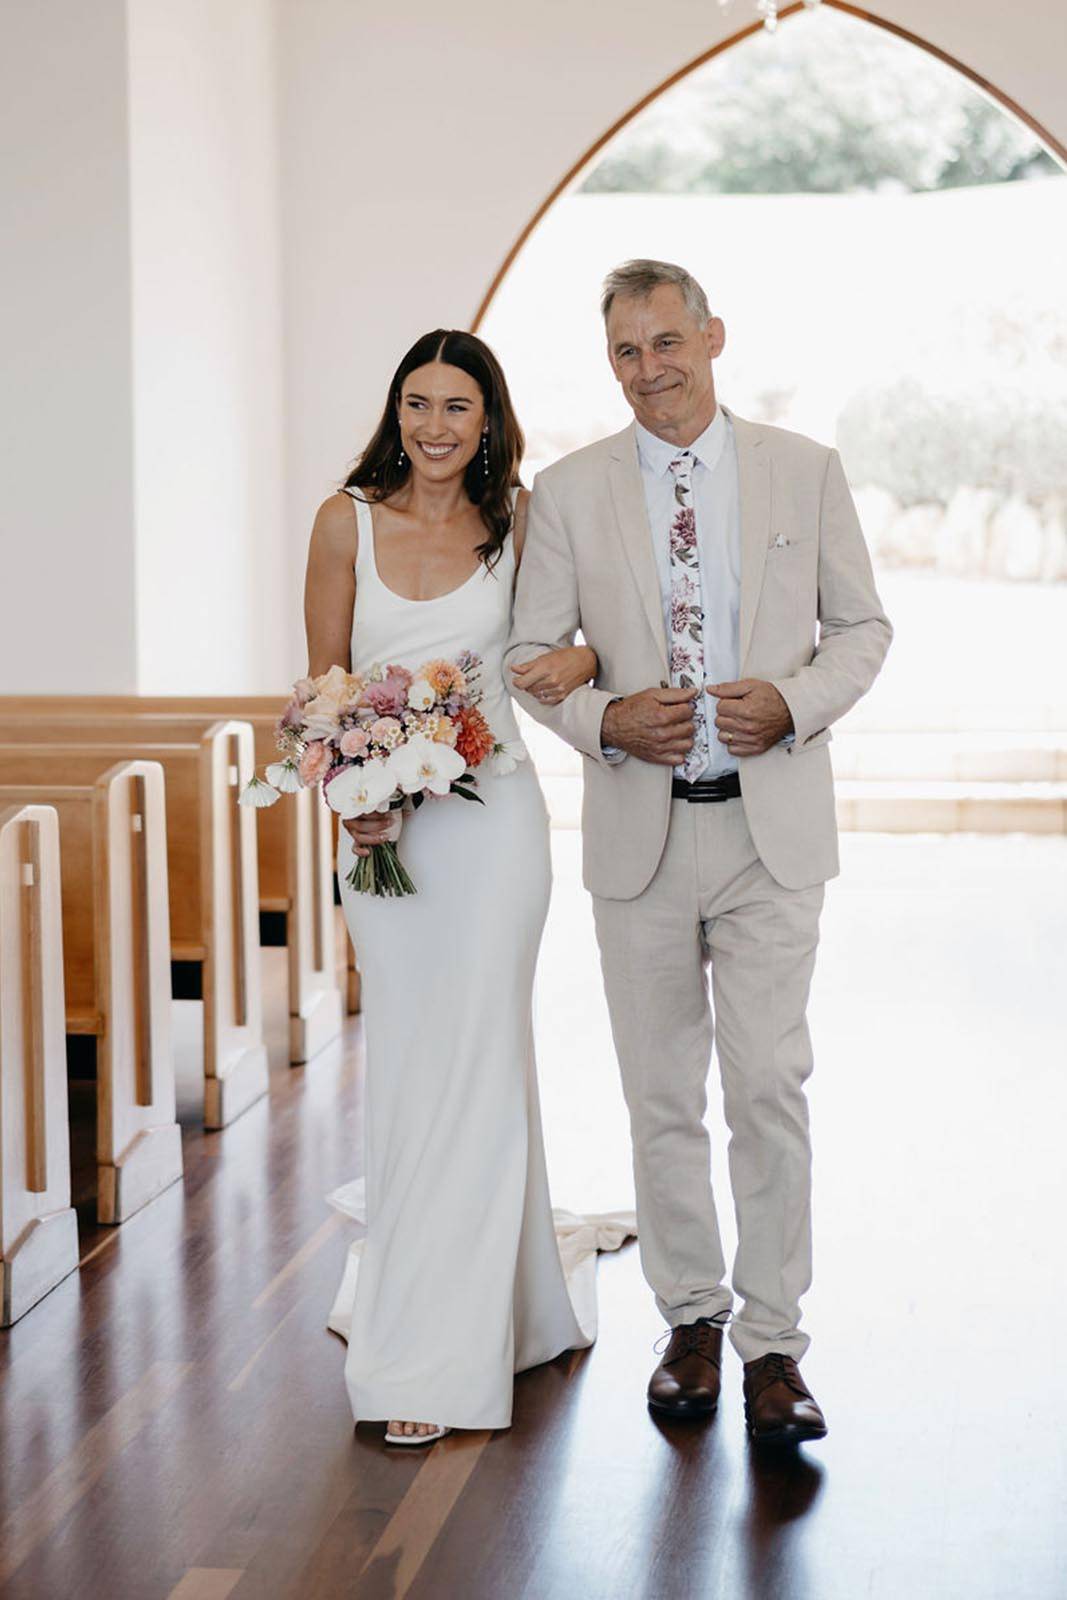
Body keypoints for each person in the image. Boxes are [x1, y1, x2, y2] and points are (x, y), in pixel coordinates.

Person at [506, 259, 892, 1444]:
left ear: (713, 337)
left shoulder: (802, 470)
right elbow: (531, 651)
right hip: (640, 832)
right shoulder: (568, 492)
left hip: (769, 826)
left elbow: (863, 627)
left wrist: (794, 699)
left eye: (666, 342)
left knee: (768, 1087)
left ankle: (774, 1343)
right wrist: (603, 720)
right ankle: (688, 1319)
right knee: (659, 1094)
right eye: (625, 352)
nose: (648, 370)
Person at [304, 328, 632, 1446]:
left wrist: (579, 663)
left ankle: (441, 1352)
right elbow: (324, 688)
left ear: (487, 419)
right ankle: (476, 1300)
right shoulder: (342, 520)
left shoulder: (524, 522)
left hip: (494, 825)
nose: (433, 426)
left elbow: (578, 645)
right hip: (385, 839)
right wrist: (359, 787)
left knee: (484, 1054)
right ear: (394, 412)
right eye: (416, 403)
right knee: (411, 1058)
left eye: (456, 407)